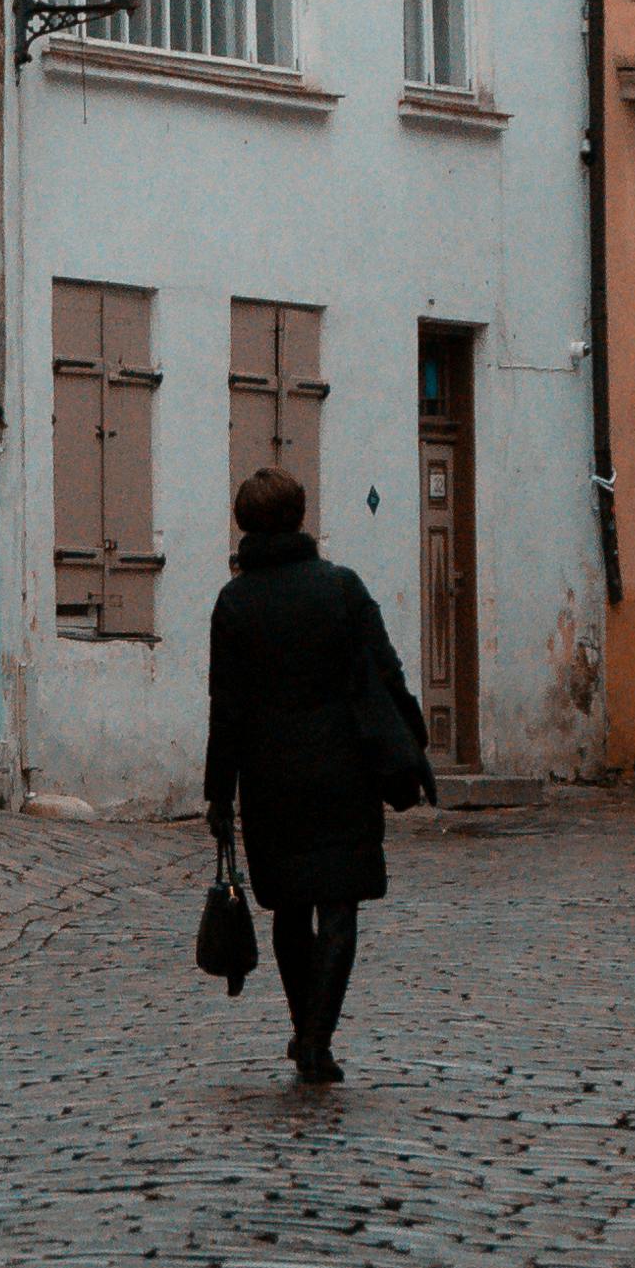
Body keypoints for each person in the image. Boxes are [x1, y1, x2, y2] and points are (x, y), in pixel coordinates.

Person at [201, 464, 434, 1083]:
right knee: (338, 908)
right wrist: (413, 745)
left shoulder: (236, 602)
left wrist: (218, 795)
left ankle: (303, 1025)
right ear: (301, 517)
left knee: (289, 911)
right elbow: (387, 675)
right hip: (342, 771)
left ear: (246, 525)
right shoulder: (341, 588)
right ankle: (316, 1039)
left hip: (271, 779)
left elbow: (225, 708)